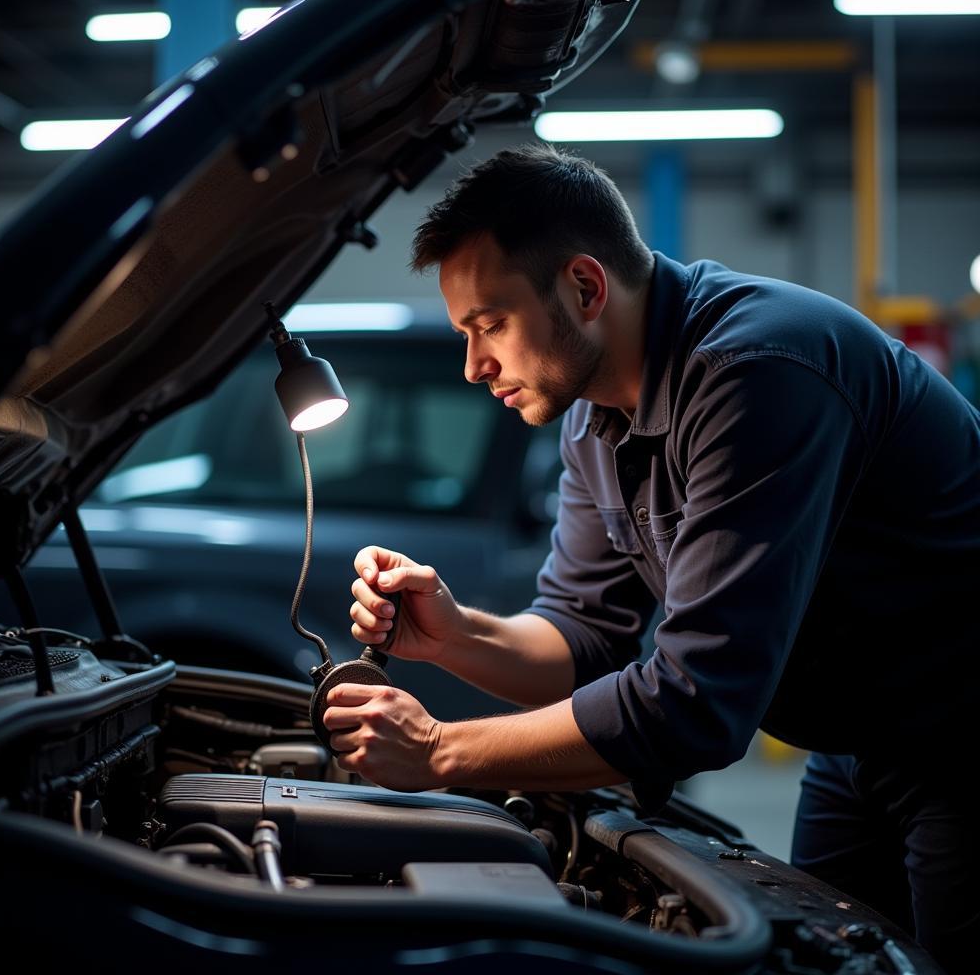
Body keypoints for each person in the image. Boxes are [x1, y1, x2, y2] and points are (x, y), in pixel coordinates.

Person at [322, 143, 980, 970]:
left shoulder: (757, 370)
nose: (473, 365)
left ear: (585, 287)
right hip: (857, 747)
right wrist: (454, 635)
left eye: (491, 325)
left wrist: (442, 753)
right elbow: (582, 639)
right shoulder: (592, 418)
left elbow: (697, 701)